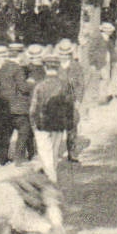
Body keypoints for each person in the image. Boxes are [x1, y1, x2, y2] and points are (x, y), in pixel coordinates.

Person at [29, 54, 74, 184]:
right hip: (59, 123)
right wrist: (69, 123)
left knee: (44, 152)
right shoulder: (65, 85)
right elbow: (69, 106)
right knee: (54, 152)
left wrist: (33, 123)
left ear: (44, 67)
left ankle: (51, 179)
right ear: (58, 67)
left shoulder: (39, 86)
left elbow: (33, 108)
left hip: (42, 124)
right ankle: (51, 176)